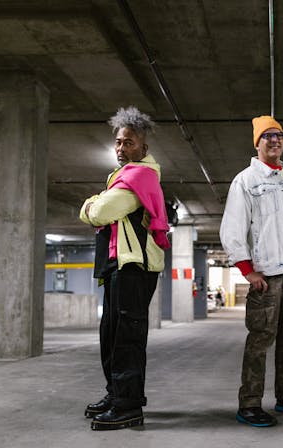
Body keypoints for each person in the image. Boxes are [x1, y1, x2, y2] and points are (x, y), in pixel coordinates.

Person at [219, 115, 283, 427]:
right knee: (260, 339)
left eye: (279, 136)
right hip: (268, 274)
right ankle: (249, 404)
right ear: (257, 143)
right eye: (267, 137)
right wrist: (247, 271)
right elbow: (232, 228)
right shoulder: (247, 179)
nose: (274, 141)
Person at [79, 106, 170, 431]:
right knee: (111, 336)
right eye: (118, 142)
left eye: (128, 143)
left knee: (127, 340)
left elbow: (101, 212)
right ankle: (115, 394)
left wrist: (91, 203)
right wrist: (100, 202)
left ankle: (128, 406)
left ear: (143, 148)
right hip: (118, 265)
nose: (121, 148)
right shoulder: (123, 177)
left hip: (134, 268)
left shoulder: (139, 177)